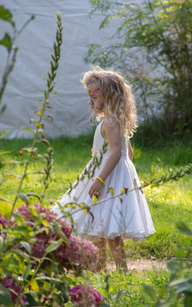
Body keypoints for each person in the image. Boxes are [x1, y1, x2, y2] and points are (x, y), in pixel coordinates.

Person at [53, 66, 155, 273]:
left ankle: (119, 270)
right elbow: (128, 152)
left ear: (107, 96)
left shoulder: (110, 121)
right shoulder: (114, 120)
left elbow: (117, 153)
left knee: (107, 227)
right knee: (102, 225)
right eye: (89, 96)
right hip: (114, 174)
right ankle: (100, 267)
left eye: (93, 96)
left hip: (107, 177)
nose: (90, 101)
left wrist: (100, 179)